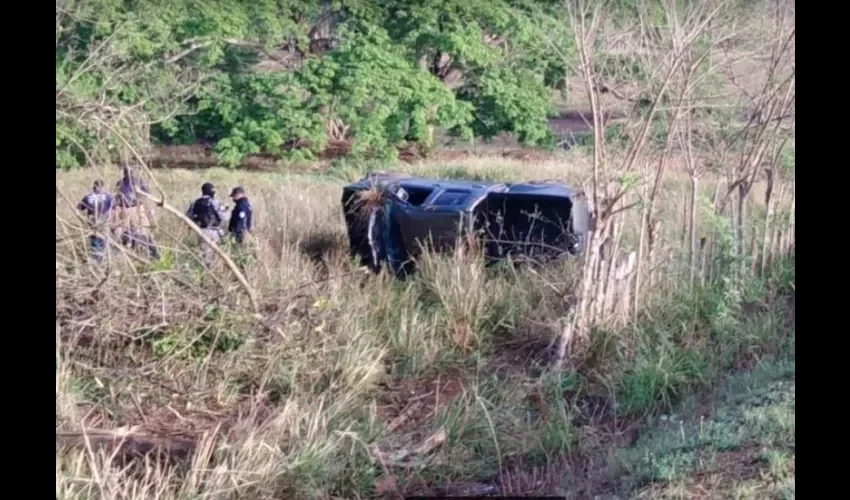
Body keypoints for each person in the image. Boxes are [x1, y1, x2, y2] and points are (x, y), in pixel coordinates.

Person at [114, 165, 160, 260]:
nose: (128, 175)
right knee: (125, 231)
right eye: (126, 172)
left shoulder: (139, 182)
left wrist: (148, 209)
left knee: (142, 230)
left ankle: (148, 251)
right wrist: (118, 210)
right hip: (125, 209)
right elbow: (117, 196)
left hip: (137, 207)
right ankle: (128, 251)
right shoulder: (120, 183)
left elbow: (147, 195)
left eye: (130, 172)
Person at [186, 182, 228, 267]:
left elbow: (188, 216)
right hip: (215, 231)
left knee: (204, 254)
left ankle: (205, 271)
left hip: (201, 231)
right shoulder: (215, 202)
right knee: (216, 254)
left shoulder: (195, 203)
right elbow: (224, 217)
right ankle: (215, 271)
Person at [77, 180, 114, 264]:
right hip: (102, 219)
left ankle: (97, 259)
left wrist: (82, 218)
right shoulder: (107, 196)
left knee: (95, 238)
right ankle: (103, 258)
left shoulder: (88, 197)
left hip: (93, 219)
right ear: (102, 187)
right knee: (102, 238)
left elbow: (78, 209)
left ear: (94, 186)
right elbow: (112, 208)